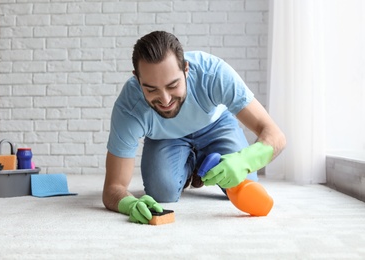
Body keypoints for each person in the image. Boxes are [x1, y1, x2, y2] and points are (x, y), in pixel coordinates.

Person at [103, 31, 286, 224]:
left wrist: (244, 160)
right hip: (166, 137)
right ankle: (192, 166)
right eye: (151, 89)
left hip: (215, 125)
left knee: (243, 180)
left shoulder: (213, 74)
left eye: (173, 85)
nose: (165, 100)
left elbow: (276, 136)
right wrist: (130, 204)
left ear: (186, 70)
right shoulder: (129, 107)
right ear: (137, 79)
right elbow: (113, 187)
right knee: (161, 191)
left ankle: (203, 161)